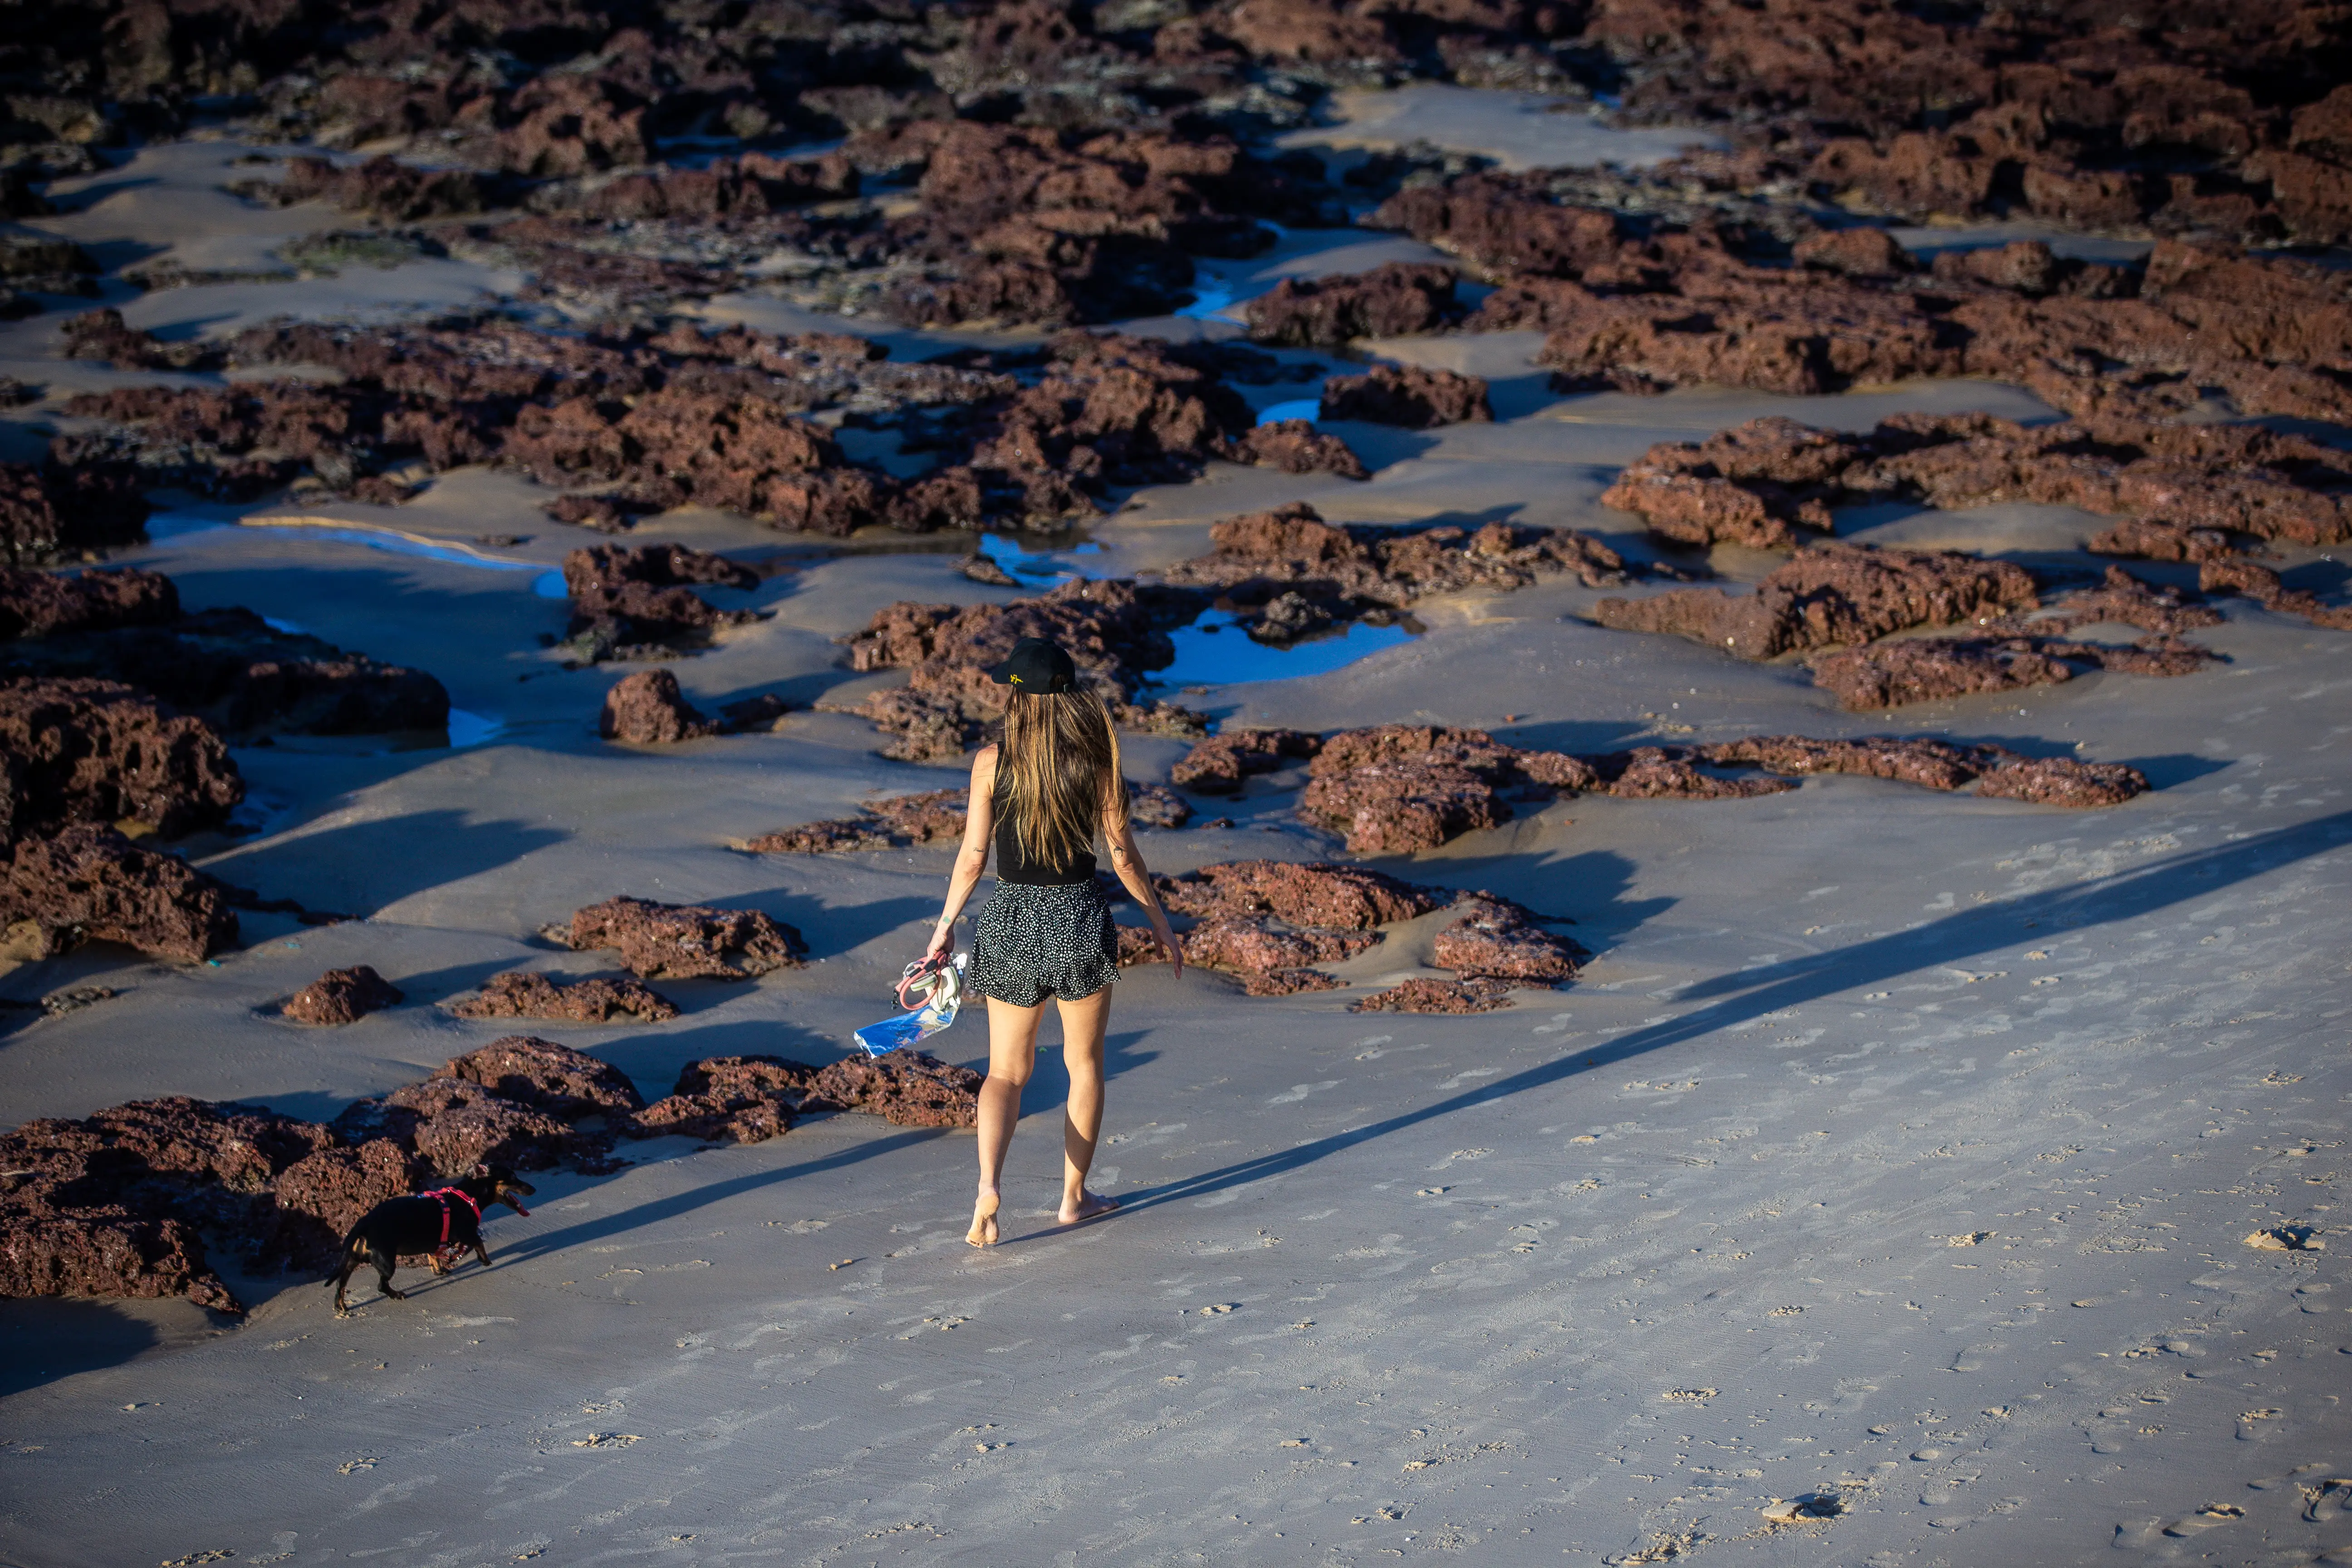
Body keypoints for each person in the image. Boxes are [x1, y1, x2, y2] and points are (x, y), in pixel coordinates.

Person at [924, 636, 1181, 1248]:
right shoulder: (1095, 763)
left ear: (1016, 696)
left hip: (1011, 919)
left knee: (1006, 1074)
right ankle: (1073, 1199)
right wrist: (1162, 924)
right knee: (1083, 1065)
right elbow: (1121, 855)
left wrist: (942, 930)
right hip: (1078, 918)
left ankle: (989, 1186)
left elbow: (972, 858)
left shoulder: (991, 761)